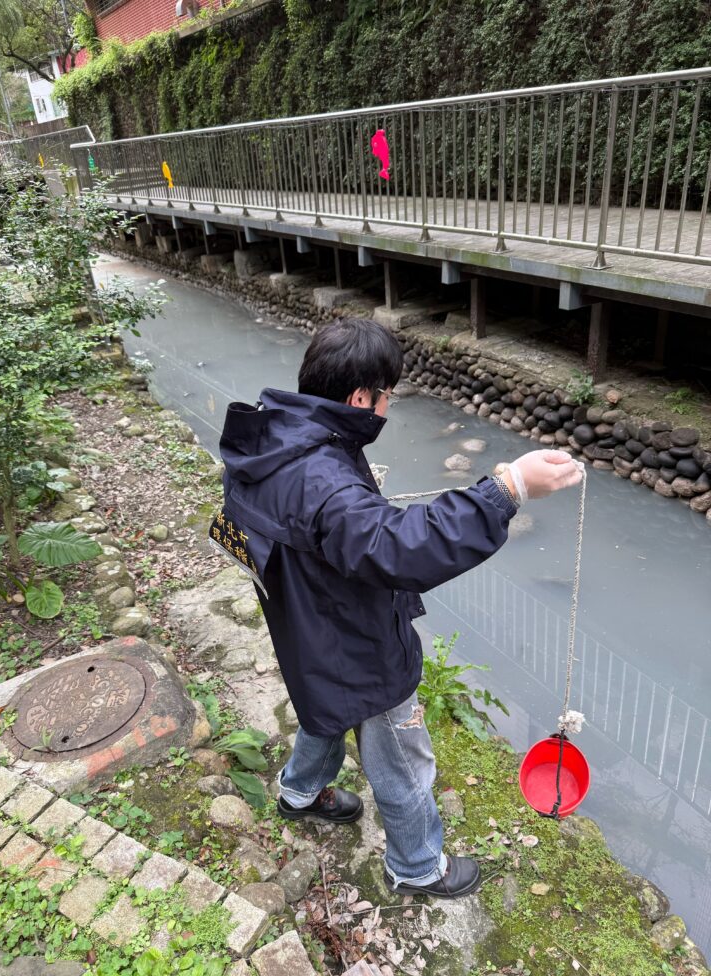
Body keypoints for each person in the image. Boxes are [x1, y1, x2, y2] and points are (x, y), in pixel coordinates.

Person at [212, 318, 583, 899]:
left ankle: (298, 792)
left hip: (302, 619)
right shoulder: (328, 483)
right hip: (353, 636)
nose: (387, 407)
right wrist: (506, 489)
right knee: (401, 754)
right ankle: (416, 866)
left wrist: (356, 503)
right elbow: (399, 549)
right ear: (361, 397)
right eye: (387, 396)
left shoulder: (274, 434)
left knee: (322, 703)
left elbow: (316, 520)